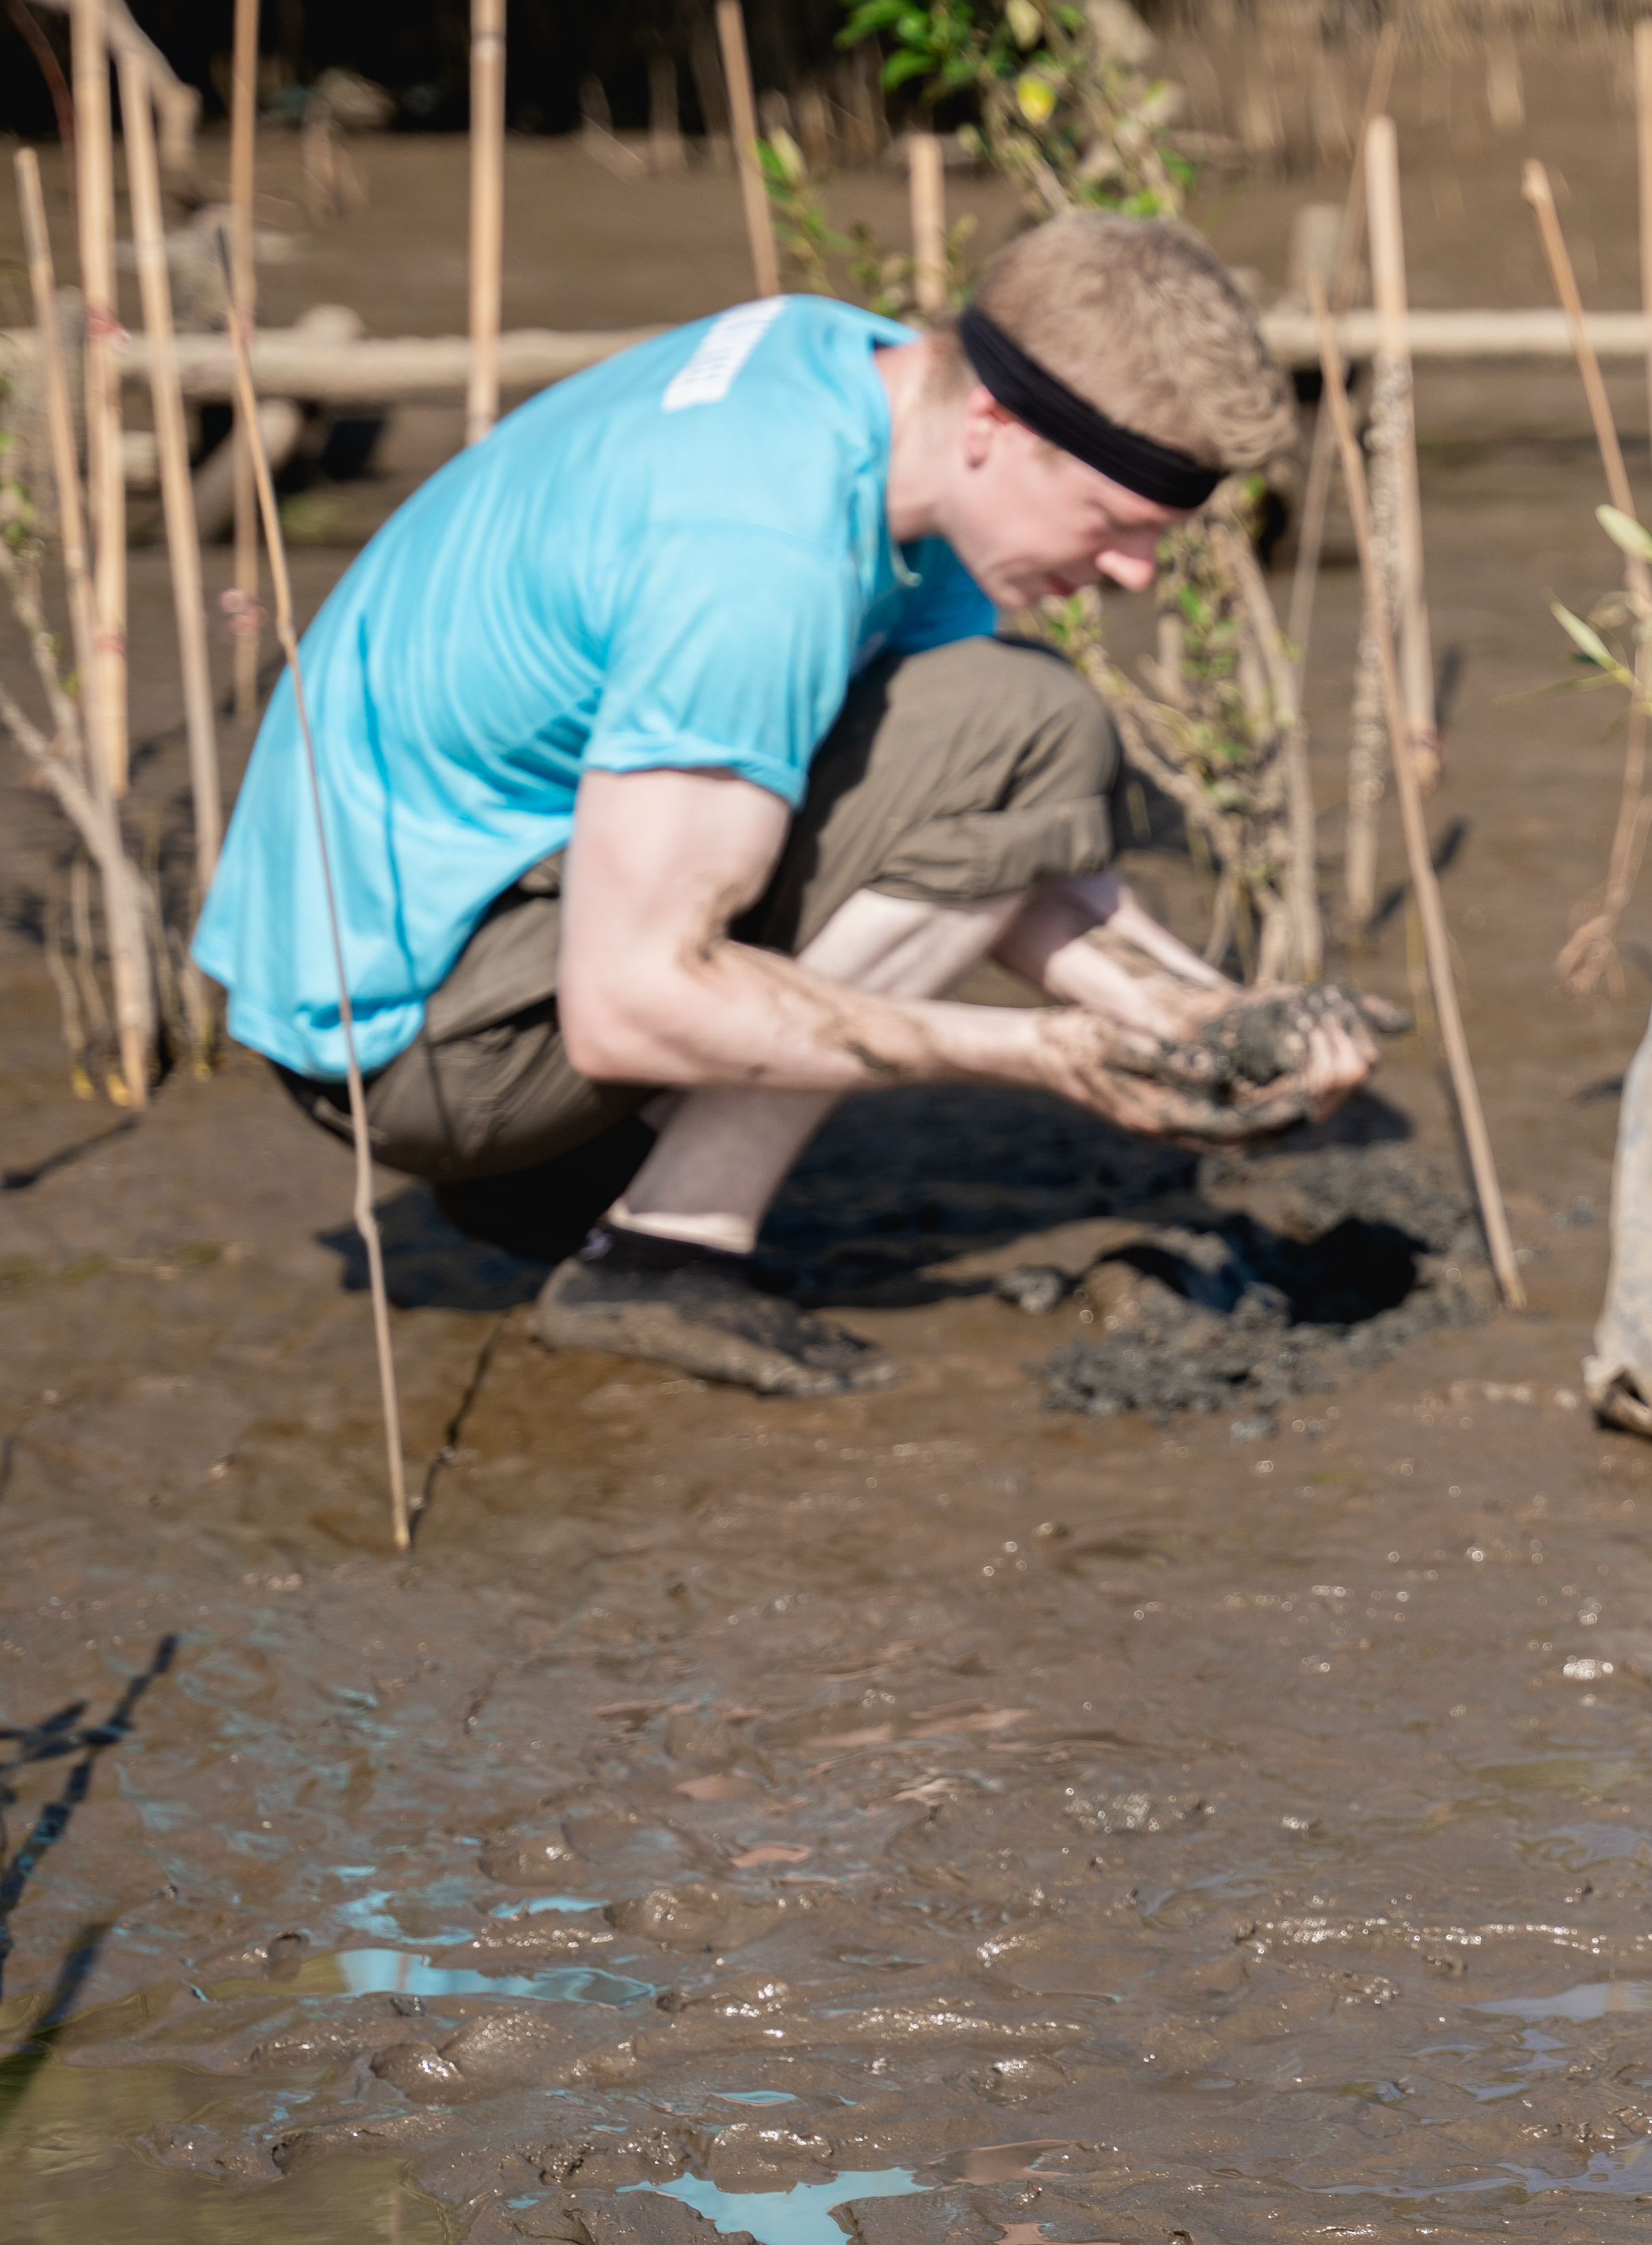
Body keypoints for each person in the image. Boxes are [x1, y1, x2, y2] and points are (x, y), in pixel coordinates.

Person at [197, 210, 1380, 1400]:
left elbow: (981, 830)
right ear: (993, 425)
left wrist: (1201, 1022)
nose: (1134, 572)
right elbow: (624, 1008)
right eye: (1116, 523)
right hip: (409, 1046)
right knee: (1020, 716)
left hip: (466, 927)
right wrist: (1041, 1053)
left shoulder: (855, 376)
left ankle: (570, 1177)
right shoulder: (752, 553)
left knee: (1015, 723)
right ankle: (657, 1252)